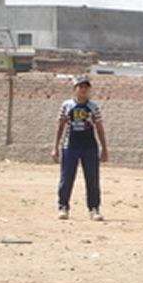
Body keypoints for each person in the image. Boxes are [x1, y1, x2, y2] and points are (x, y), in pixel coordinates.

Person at [52, 76, 108, 220]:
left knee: (92, 179)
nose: (83, 90)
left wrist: (104, 149)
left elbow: (99, 128)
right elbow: (60, 127)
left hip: (89, 147)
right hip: (70, 146)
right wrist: (55, 147)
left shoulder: (93, 107)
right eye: (80, 87)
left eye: (86, 87)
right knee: (67, 178)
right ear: (74, 89)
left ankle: (94, 209)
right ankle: (63, 207)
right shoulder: (67, 105)